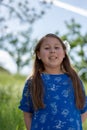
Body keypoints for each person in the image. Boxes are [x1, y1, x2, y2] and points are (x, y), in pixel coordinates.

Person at [19, 33, 87, 130]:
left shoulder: (74, 80)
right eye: (47, 48)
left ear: (64, 53)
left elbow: (84, 110)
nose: (52, 51)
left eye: (56, 47)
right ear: (38, 54)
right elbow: (27, 114)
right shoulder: (32, 82)